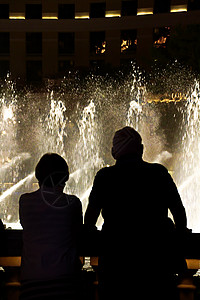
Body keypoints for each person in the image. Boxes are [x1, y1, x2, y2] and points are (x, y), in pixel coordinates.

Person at [84, 126, 188, 300]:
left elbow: (89, 220)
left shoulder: (105, 177)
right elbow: (179, 211)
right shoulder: (159, 173)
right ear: (141, 149)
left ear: (113, 152)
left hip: (115, 264)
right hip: (155, 264)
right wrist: (178, 241)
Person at [19, 153, 83, 300]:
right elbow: (78, 231)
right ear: (64, 177)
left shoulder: (25, 201)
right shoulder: (73, 203)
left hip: (31, 284)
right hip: (67, 282)